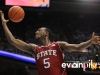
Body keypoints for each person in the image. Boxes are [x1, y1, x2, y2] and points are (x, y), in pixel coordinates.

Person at [0, 10, 100, 75]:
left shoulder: (59, 45)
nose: (36, 32)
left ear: (46, 33)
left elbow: (78, 47)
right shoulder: (34, 48)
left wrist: (90, 41)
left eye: (39, 30)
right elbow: (12, 41)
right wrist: (4, 25)